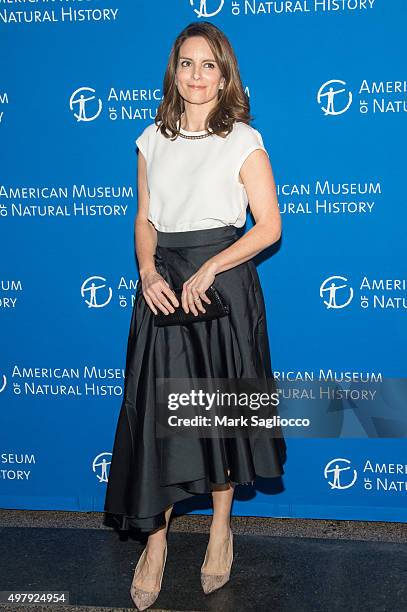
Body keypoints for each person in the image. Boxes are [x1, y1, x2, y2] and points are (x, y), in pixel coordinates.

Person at [104, 20, 287, 611]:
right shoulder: (150, 140)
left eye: (209, 64)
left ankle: (218, 532)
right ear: (173, 72)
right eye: (187, 63)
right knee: (157, 414)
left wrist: (210, 270)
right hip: (163, 286)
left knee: (219, 413)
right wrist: (148, 273)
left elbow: (269, 226)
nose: (197, 75)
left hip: (223, 285)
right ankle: (154, 544)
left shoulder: (244, 141)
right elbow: (145, 219)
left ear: (224, 73)